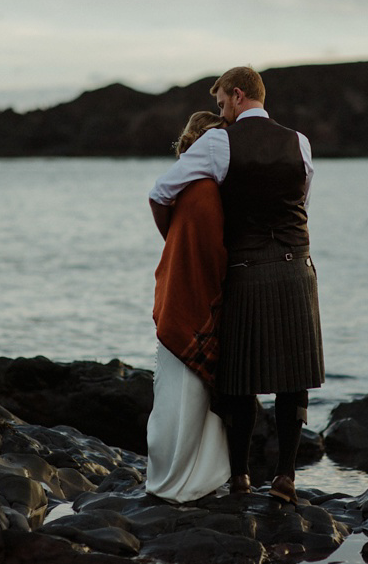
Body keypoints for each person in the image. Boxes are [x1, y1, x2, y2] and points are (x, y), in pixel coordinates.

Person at [149, 66, 325, 504]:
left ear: (239, 94)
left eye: (222, 102)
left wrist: (174, 239)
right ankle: (286, 477)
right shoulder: (299, 141)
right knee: (293, 377)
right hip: (295, 267)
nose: (221, 111)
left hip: (247, 269)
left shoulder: (217, 141)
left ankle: (242, 477)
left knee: (240, 378)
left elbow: (161, 191)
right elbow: (301, 201)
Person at [145, 111, 231, 503]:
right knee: (187, 396)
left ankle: (172, 477)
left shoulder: (187, 187)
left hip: (178, 298)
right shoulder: (207, 190)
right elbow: (213, 253)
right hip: (194, 302)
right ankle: (188, 479)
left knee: (176, 395)